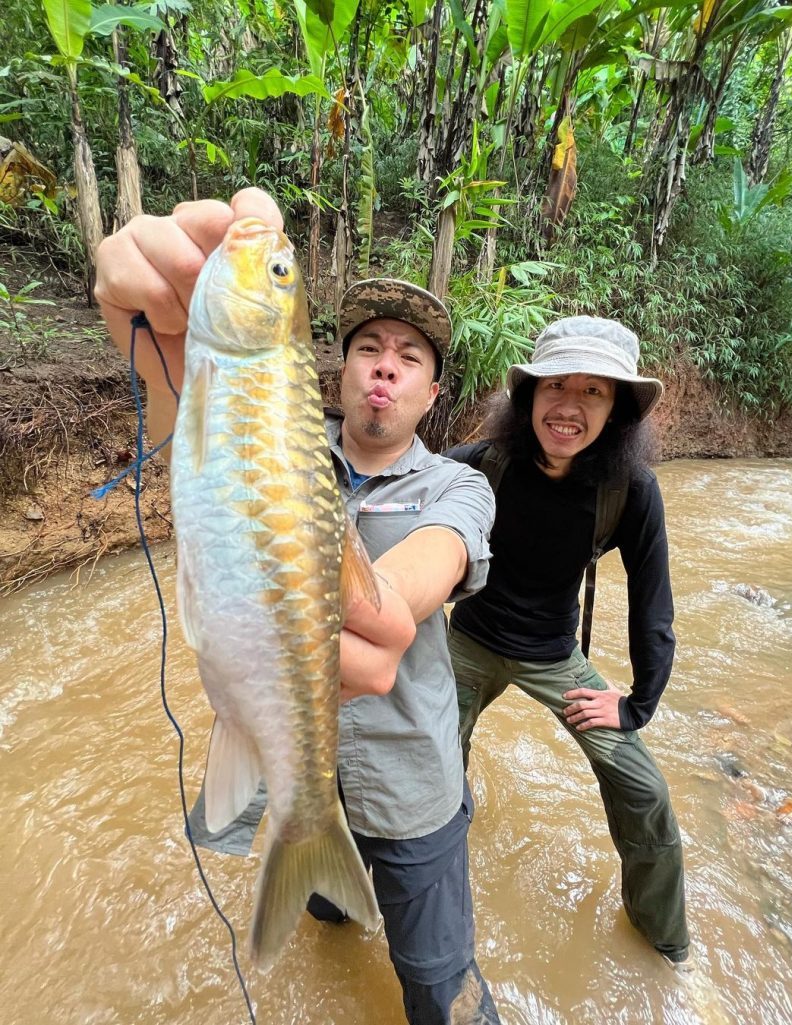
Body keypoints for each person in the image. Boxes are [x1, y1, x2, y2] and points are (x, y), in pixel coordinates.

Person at [95, 188, 501, 1025]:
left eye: (410, 356)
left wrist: (360, 591)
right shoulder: (270, 436)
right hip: (299, 775)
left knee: (434, 975)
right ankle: (321, 881)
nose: (385, 364)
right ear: (339, 370)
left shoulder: (458, 484)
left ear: (431, 393)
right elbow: (184, 410)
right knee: (331, 917)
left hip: (409, 787)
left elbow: (406, 595)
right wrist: (136, 312)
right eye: (367, 348)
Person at [446, 316, 693, 971]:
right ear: (528, 396)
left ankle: (662, 943)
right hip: (468, 640)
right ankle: (373, 878)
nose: (570, 406)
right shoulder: (482, 464)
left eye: (594, 391)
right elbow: (394, 502)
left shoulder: (629, 490)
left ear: (616, 412)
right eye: (556, 384)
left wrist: (638, 703)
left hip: (555, 656)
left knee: (645, 793)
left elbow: (653, 604)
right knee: (415, 758)